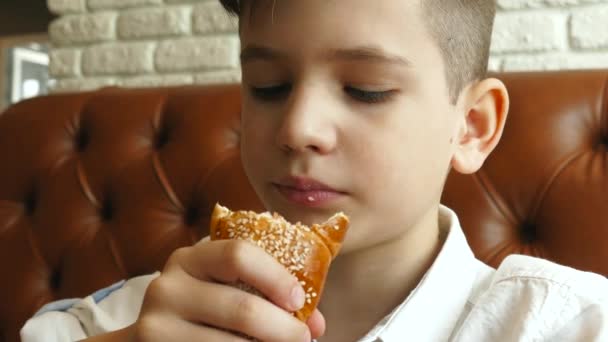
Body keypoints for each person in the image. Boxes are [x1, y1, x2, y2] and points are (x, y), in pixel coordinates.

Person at [21, 0, 608, 341]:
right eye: (268, 87)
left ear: (472, 125)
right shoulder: (135, 318)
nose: (298, 126)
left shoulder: (568, 323)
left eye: (366, 90)